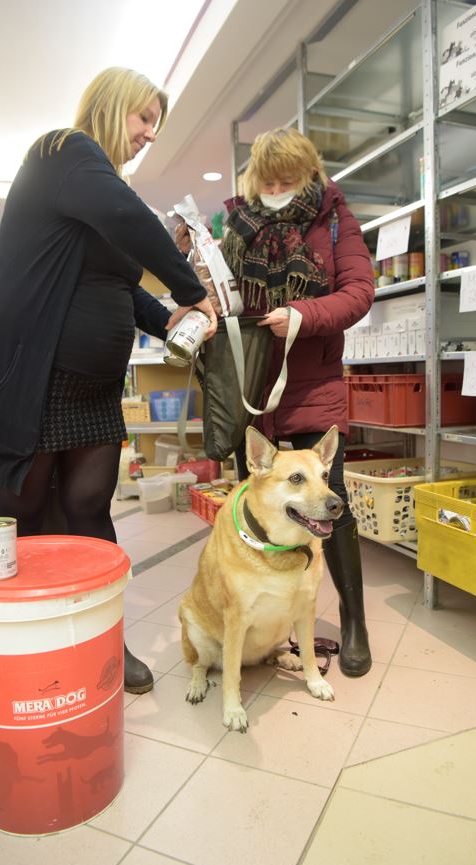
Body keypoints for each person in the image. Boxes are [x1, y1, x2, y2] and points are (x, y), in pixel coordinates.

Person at [0, 66, 217, 695]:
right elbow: (129, 220)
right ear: (112, 107)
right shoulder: (63, 152)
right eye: (144, 119)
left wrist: (173, 320)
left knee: (88, 510)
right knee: (27, 512)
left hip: (92, 390)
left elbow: (119, 288)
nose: (150, 135)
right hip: (31, 370)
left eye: (157, 124)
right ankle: (20, 643)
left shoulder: (98, 192)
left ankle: (103, 643)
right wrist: (193, 288)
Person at [177, 127, 374, 676]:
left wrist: (304, 316)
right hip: (252, 383)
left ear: (309, 175)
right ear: (254, 180)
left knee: (328, 504)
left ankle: (354, 620)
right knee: (257, 505)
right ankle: (264, 615)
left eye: (289, 179)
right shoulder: (233, 223)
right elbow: (221, 293)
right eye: (269, 181)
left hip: (312, 383)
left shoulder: (334, 219)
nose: (278, 189)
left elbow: (359, 292)